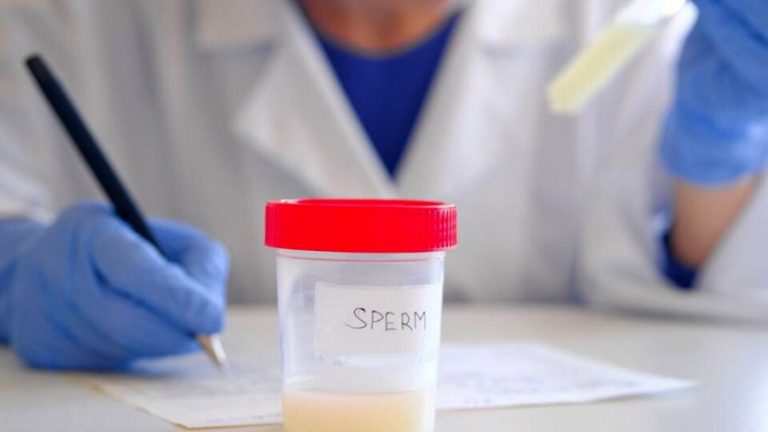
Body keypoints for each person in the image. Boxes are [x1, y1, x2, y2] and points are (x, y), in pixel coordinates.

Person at [0, 0, 766, 370]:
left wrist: (720, 154)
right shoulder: (80, 17)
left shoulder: (624, 22)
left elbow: (715, 314)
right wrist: (15, 272)